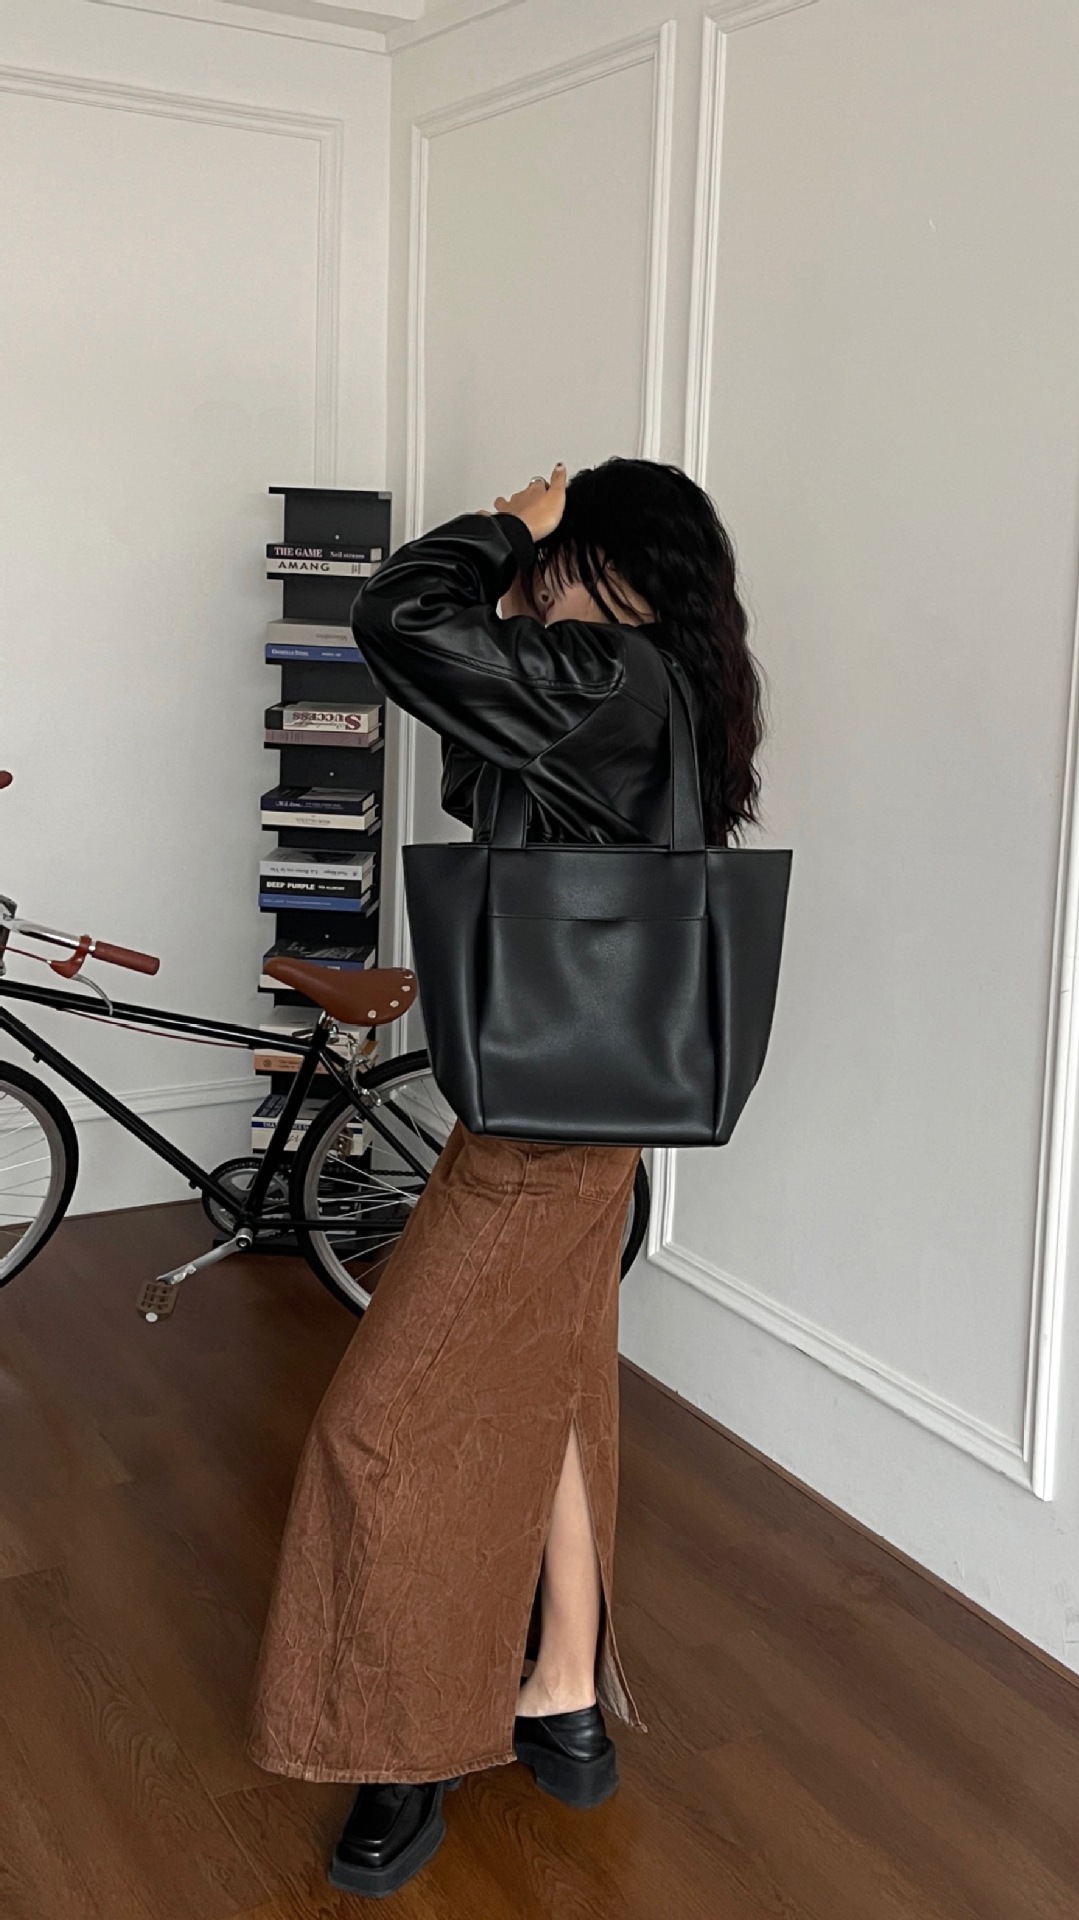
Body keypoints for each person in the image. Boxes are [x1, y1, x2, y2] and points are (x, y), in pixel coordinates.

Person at [244, 455, 765, 1897]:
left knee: (382, 1427)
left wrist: (507, 529)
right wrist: (531, 589)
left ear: (609, 559)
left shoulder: (609, 679)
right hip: (580, 1106)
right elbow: (476, 754)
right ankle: (565, 1693)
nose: (533, 575)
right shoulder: (649, 686)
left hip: (540, 1133)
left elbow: (395, 618)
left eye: (558, 552)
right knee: (556, 1388)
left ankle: (407, 1737)